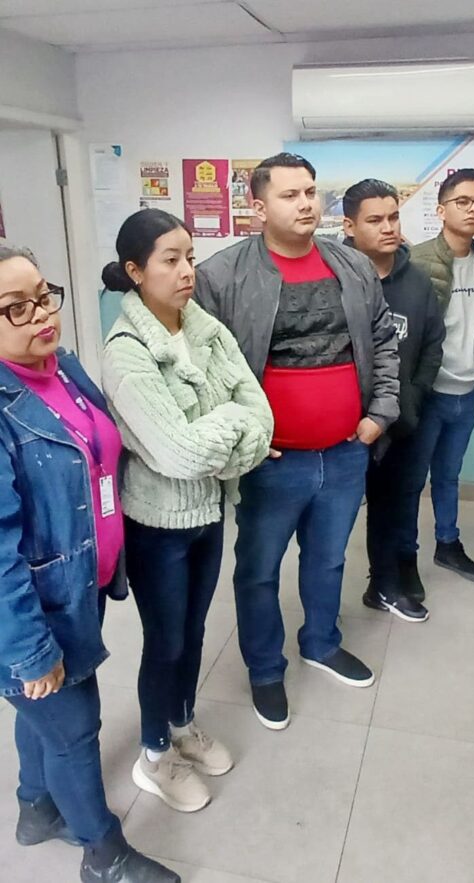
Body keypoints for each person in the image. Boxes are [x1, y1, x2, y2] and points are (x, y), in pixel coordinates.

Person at [193, 152, 398, 731]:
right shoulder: (222, 275)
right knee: (258, 570)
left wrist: (380, 413)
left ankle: (321, 641)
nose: (307, 203)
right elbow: (206, 371)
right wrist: (243, 439)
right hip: (270, 462)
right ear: (258, 207)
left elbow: (383, 341)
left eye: (311, 192)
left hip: (344, 452)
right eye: (290, 195)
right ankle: (263, 668)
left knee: (329, 559)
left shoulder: (350, 266)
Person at [0, 245, 178, 882]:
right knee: (74, 728)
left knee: (40, 712)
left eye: (43, 296)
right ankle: (104, 854)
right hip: (29, 609)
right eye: (14, 309)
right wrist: (27, 653)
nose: (40, 315)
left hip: (81, 584)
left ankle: (35, 807)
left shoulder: (63, 366)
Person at [101, 210, 273, 812]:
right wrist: (232, 429)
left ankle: (180, 724)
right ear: (135, 271)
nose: (186, 272)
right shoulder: (126, 353)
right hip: (157, 527)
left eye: (190, 257)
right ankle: (153, 755)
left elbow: (263, 410)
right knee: (165, 640)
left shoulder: (204, 328)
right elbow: (176, 452)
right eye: (170, 260)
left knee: (196, 631)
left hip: (208, 513)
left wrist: (223, 446)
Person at [341, 179, 444, 621]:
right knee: (331, 521)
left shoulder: (417, 281)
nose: (388, 228)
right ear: (349, 226)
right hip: (343, 428)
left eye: (394, 217)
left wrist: (412, 398)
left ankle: (383, 585)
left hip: (399, 422)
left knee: (393, 509)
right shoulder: (333, 277)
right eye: (375, 220)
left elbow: (431, 346)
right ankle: (322, 611)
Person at [408, 168, 474, 584]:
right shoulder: (419, 262)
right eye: (463, 201)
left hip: (468, 391)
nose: (473, 208)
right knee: (411, 480)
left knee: (448, 475)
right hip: (430, 394)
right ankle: (404, 558)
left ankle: (448, 545)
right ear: (442, 209)